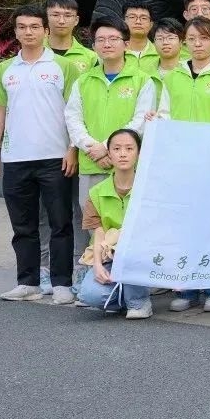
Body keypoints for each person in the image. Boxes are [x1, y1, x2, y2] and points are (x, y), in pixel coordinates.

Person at [0, 4, 78, 304]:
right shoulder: (5, 69)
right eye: (22, 27)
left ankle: (62, 283)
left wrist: (72, 149)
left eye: (35, 27)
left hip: (55, 158)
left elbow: (75, 112)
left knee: (60, 223)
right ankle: (28, 282)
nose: (29, 32)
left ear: (46, 31)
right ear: (15, 32)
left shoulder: (63, 67)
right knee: (22, 225)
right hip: (16, 159)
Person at [155, 17, 210, 311]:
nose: (197, 44)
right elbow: (165, 115)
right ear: (185, 42)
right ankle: (186, 289)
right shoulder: (173, 77)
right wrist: (157, 122)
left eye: (204, 38)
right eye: (192, 38)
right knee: (183, 227)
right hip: (181, 165)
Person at [64, 16, 155, 290]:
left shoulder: (143, 80)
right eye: (101, 40)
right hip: (92, 162)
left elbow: (140, 120)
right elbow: (72, 118)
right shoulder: (84, 81)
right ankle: (90, 273)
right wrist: (91, 146)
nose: (107, 44)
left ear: (126, 43)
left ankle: (132, 279)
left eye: (114, 39)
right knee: (91, 220)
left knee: (131, 221)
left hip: (127, 165)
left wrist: (108, 146)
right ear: (94, 45)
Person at [75, 129, 153, 319]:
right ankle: (125, 296)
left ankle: (139, 302)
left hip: (143, 255)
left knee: (129, 250)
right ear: (109, 154)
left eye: (129, 148)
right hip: (109, 255)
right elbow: (98, 233)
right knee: (89, 295)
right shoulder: (96, 192)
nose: (123, 154)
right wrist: (97, 265)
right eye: (117, 149)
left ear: (139, 153)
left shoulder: (150, 189)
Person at [45, 0, 97, 74]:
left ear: (76, 20)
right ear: (46, 18)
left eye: (68, 16)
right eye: (55, 15)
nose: (61, 21)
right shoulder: (33, 51)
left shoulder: (91, 58)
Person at [122, 4, 160, 74]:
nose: (138, 22)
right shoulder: (114, 51)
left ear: (151, 25)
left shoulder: (160, 52)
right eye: (132, 17)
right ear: (124, 22)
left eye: (144, 18)